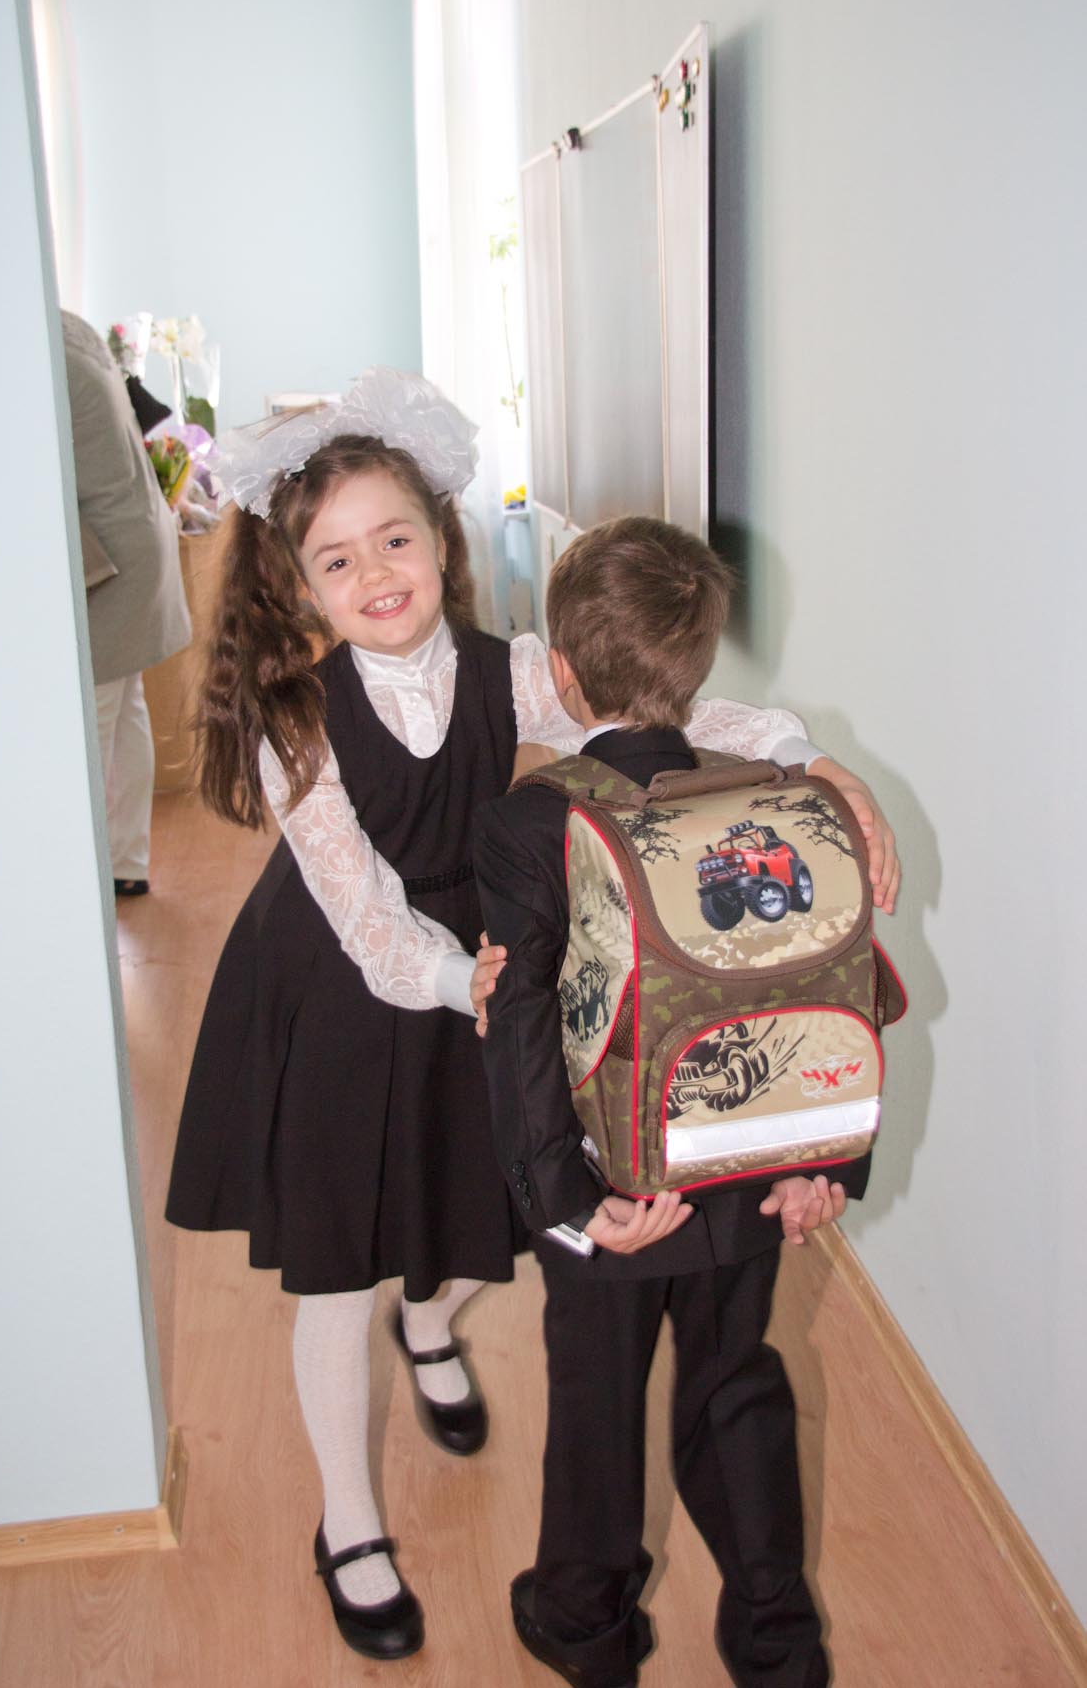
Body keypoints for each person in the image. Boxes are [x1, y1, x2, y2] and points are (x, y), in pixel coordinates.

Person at [164, 370, 896, 1664]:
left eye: (395, 538)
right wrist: (468, 980)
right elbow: (369, 921)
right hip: (346, 983)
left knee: (478, 1201)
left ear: (439, 540)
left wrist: (807, 753)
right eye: (338, 558)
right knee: (340, 1266)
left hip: (491, 954)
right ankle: (347, 1523)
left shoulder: (510, 670)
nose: (375, 573)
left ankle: (431, 1324)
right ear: (303, 585)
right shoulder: (298, 721)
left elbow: (668, 711)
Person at [473, 516, 899, 1688]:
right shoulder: (769, 799)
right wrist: (819, 1166)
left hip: (615, 1185)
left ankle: (585, 1621)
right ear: (698, 667)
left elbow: (521, 1026)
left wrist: (569, 1207)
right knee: (735, 1381)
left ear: (562, 672)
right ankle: (776, 1636)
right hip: (749, 1171)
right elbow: (816, 981)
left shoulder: (529, 821)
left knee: (597, 1399)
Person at [62, 311, 191, 897]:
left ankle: (87, 878)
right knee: (122, 707)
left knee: (93, 721)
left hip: (113, 552)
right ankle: (125, 861)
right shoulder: (76, 335)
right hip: (137, 532)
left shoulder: (49, 356)